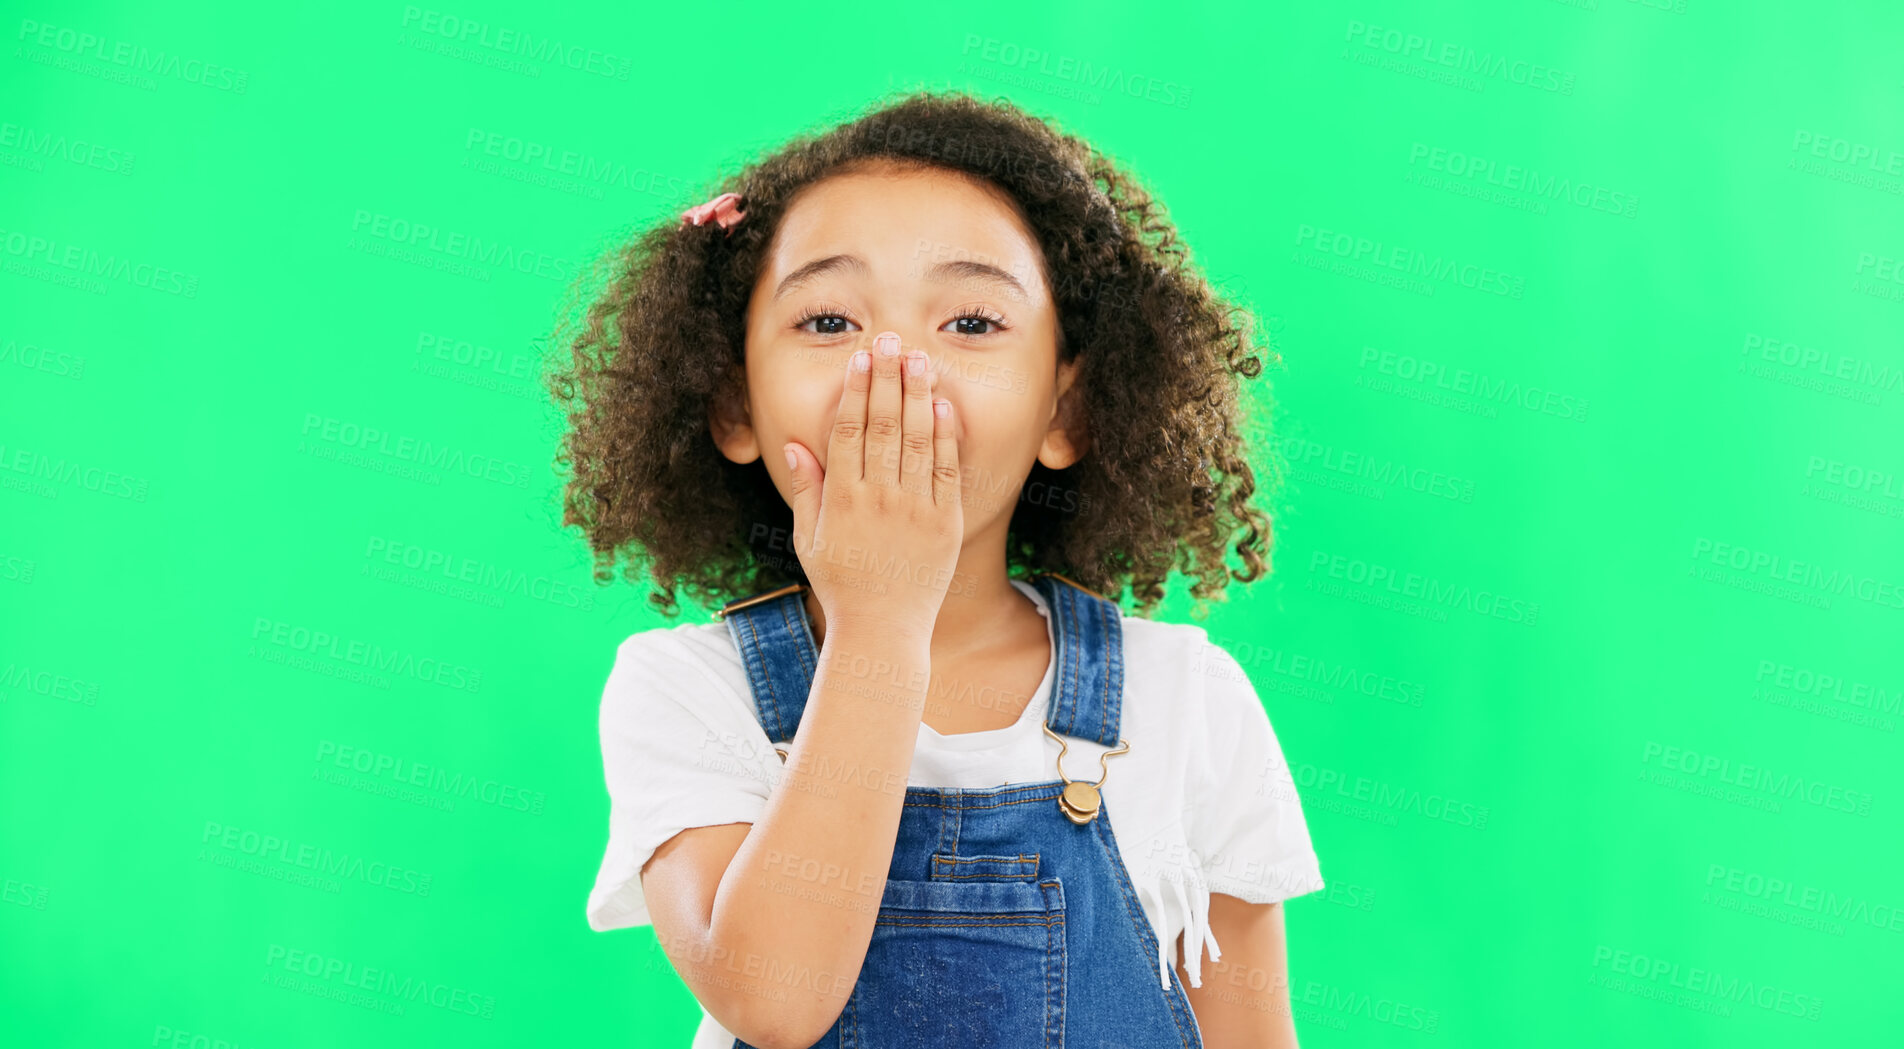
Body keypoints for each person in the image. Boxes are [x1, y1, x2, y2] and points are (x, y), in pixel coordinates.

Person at [548, 88, 1324, 1049]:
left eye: (971, 322)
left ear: (1067, 412)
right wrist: (879, 620)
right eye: (829, 321)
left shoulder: (1188, 704)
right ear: (733, 405)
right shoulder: (688, 691)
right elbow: (776, 1001)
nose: (894, 362)